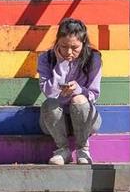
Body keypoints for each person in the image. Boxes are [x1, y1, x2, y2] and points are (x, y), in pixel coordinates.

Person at [37, 17, 103, 165]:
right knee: (50, 104)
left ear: (83, 44)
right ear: (57, 43)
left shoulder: (93, 58)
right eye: (63, 46)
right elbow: (49, 92)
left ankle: (83, 149)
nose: (69, 52)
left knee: (78, 99)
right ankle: (62, 150)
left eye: (74, 48)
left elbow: (94, 94)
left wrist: (78, 90)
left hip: (86, 119)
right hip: (55, 122)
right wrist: (62, 64)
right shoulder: (46, 58)